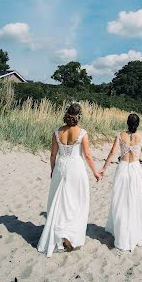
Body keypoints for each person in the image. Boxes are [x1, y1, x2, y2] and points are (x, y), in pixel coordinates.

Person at [37, 102, 102, 257]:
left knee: (58, 202)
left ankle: (60, 233)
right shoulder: (82, 133)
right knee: (75, 202)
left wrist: (53, 171)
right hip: (76, 169)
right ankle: (69, 234)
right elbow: (87, 156)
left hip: (61, 167)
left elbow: (53, 155)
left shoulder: (57, 132)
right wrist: (95, 172)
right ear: (79, 116)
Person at [100, 113, 142, 251]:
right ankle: (133, 231)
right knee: (135, 201)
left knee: (121, 200)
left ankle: (122, 232)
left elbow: (112, 152)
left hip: (123, 169)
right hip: (136, 170)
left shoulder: (120, 135)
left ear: (127, 122)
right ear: (138, 124)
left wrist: (103, 168)